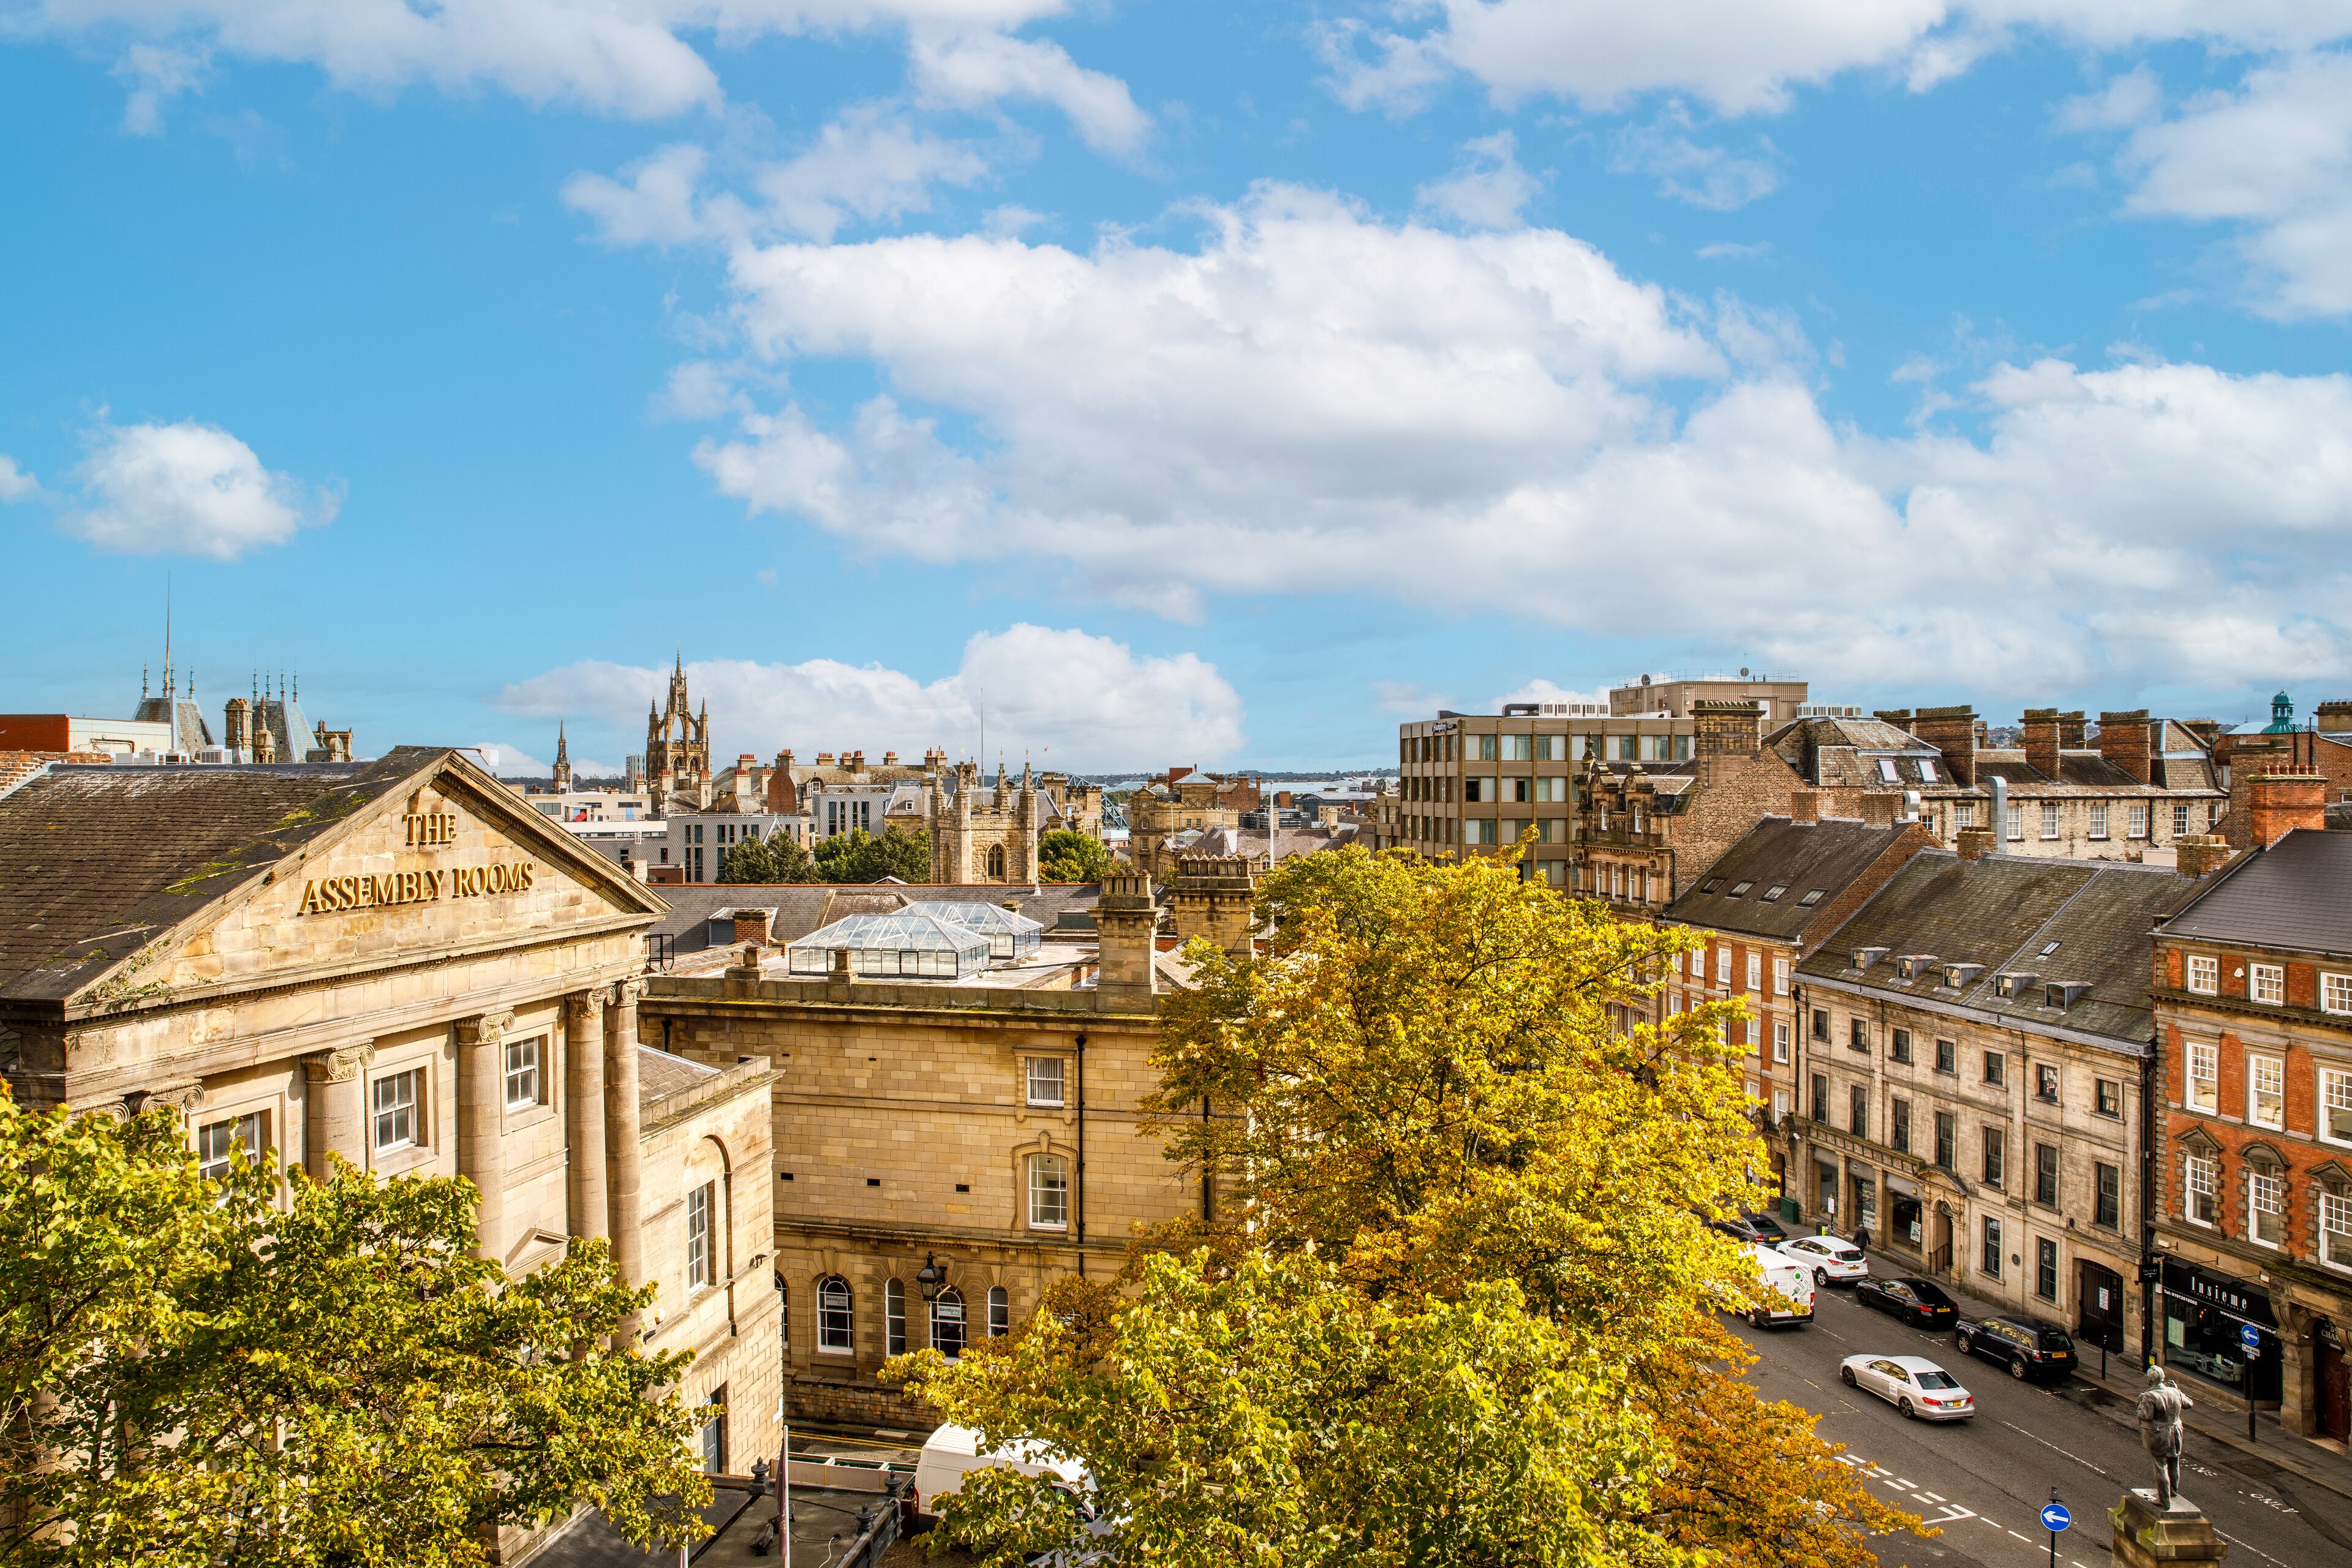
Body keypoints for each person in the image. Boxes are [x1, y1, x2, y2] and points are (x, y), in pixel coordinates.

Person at [2137, 1364, 2193, 1509]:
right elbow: (2189, 1405)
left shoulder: (2150, 1395)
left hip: (2159, 1435)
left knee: (2161, 1466)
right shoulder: (2174, 1391)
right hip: (2176, 1433)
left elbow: (2146, 1416)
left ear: (2150, 1380)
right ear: (2163, 1378)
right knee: (2174, 1462)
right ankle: (2173, 1492)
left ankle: (2164, 1500)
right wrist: (2178, 1391)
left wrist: (2139, 1405)